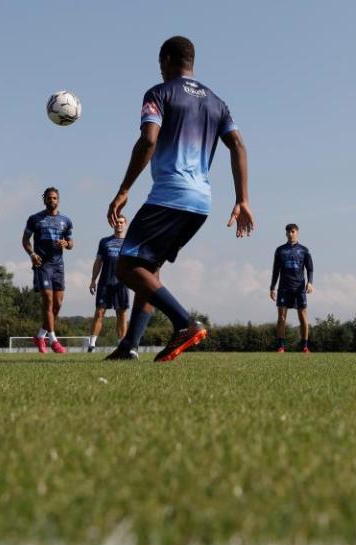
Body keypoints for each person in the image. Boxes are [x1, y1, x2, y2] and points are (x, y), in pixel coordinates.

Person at [105, 36, 253, 362]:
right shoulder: (217, 102)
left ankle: (184, 322)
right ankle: (130, 345)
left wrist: (124, 189)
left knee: (127, 266)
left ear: (167, 59)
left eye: (160, 63)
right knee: (150, 269)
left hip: (170, 195)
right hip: (201, 202)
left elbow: (148, 141)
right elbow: (239, 145)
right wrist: (243, 199)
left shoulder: (160, 93)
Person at [23, 187, 74, 354]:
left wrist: (66, 244)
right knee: (48, 301)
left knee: (57, 304)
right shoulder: (35, 219)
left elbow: (71, 243)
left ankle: (40, 335)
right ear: (44, 199)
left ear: (58, 200)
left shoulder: (65, 220)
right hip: (42, 265)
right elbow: (25, 240)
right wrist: (31, 253)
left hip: (58, 266)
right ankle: (53, 340)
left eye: (54, 198)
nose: (52, 200)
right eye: (49, 198)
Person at [88, 215, 129, 353]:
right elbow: (98, 261)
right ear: (113, 224)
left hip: (122, 284)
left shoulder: (130, 242)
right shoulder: (104, 241)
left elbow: (134, 264)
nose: (119, 224)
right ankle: (91, 345)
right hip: (105, 283)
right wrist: (93, 280)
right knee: (99, 313)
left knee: (121, 314)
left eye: (121, 222)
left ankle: (122, 345)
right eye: (117, 222)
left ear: (125, 224)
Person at [270, 224, 314, 353]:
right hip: (284, 288)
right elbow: (275, 271)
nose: (290, 234)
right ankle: (281, 346)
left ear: (297, 233)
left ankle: (305, 346)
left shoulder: (304, 250)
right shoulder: (280, 250)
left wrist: (310, 283)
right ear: (286, 234)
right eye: (288, 232)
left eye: (293, 231)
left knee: (303, 318)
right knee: (281, 318)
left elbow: (310, 268)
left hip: (299, 288)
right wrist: (272, 287)